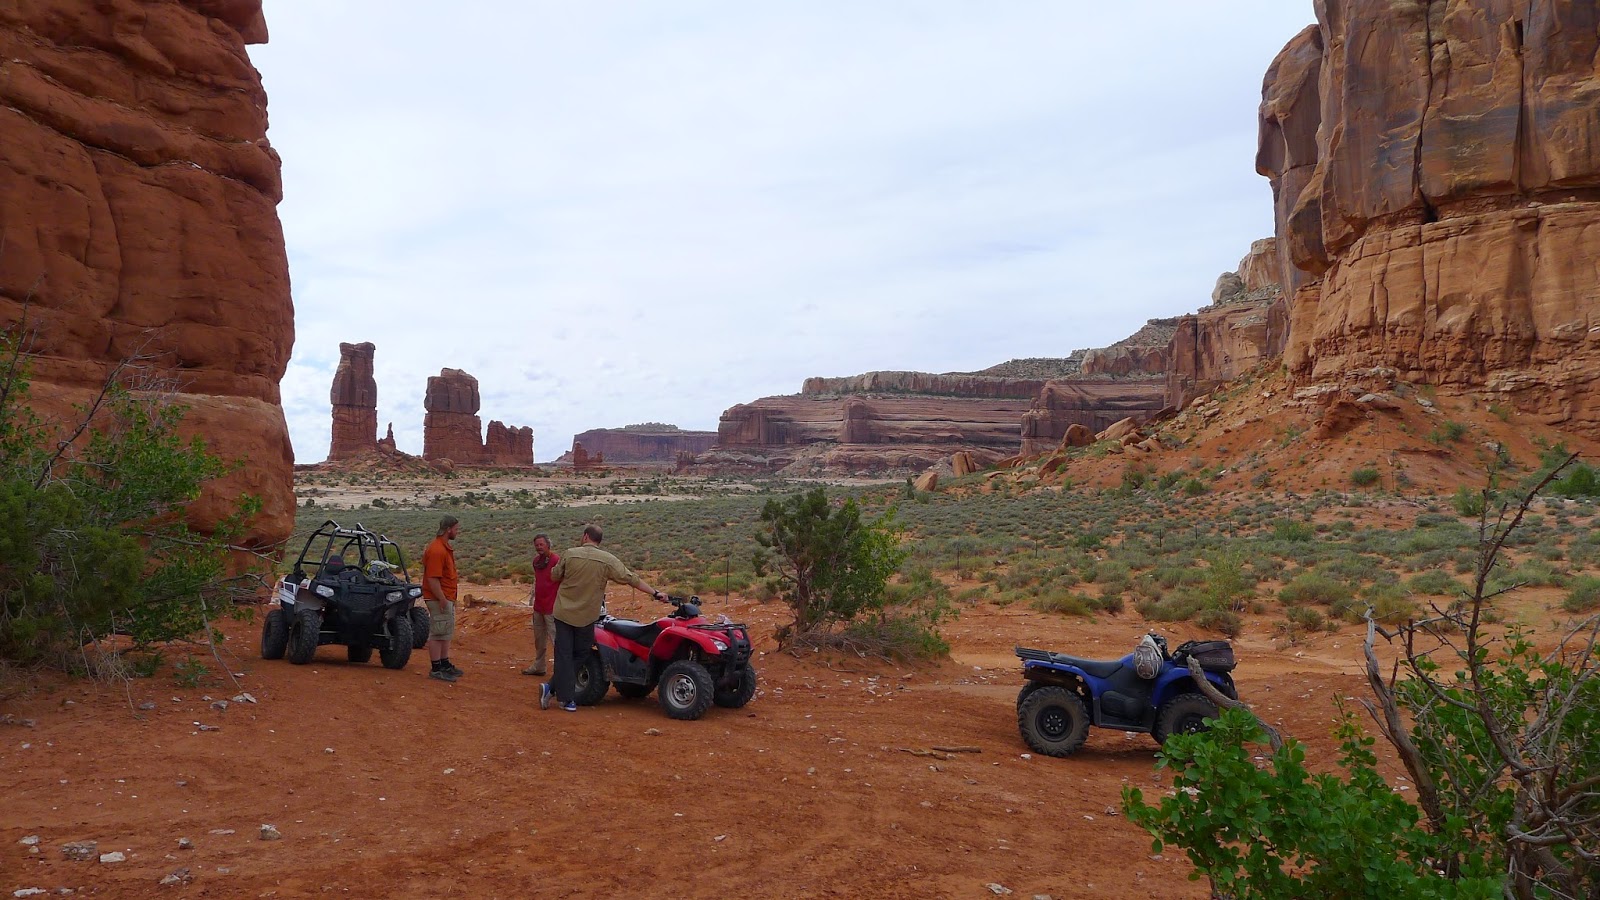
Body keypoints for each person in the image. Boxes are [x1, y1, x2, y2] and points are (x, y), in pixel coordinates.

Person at [540, 524, 663, 712]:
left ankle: (555, 690)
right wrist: (655, 592)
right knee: (581, 653)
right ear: (599, 540)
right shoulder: (607, 560)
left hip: (564, 612)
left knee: (564, 655)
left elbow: (555, 576)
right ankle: (564, 697)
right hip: (588, 616)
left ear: (585, 536)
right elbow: (631, 578)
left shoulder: (570, 553)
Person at [422, 515, 462, 683]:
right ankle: (436, 668)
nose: (457, 532)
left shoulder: (442, 547)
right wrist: (442, 599)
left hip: (445, 597)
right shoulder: (437, 550)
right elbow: (432, 578)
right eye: (456, 529)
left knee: (444, 631)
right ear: (448, 529)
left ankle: (444, 664)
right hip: (439, 598)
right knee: (438, 632)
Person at [521, 534, 559, 676]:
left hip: (552, 607)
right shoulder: (537, 561)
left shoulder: (556, 560)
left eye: (541, 544)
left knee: (556, 639)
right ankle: (539, 665)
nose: (538, 547)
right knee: (539, 639)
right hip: (539, 607)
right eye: (536, 545)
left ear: (548, 545)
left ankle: (560, 669)